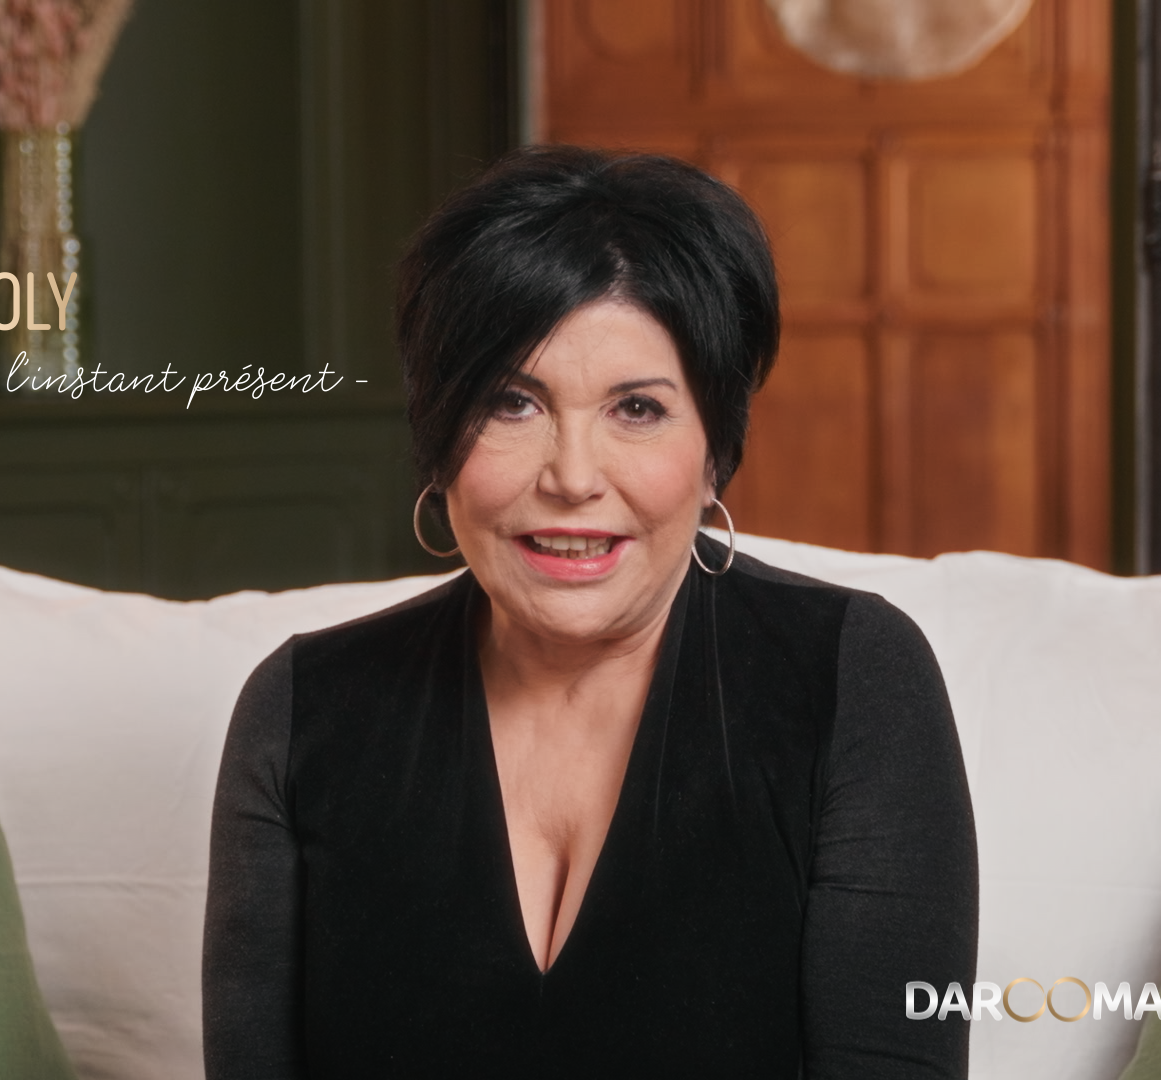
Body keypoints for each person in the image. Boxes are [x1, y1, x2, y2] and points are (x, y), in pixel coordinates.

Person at [202, 146, 978, 1079]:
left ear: (715, 450)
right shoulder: (304, 712)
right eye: (511, 402)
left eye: (637, 409)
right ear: (439, 439)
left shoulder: (853, 680)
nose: (572, 477)